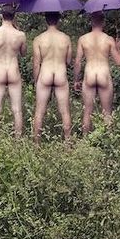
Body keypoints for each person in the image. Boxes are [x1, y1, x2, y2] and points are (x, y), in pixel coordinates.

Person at [74, 12, 120, 133]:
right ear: (103, 22)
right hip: (103, 74)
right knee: (107, 112)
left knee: (87, 112)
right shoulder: (108, 39)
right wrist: (118, 48)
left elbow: (78, 62)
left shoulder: (83, 39)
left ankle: (86, 140)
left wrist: (76, 80)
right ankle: (108, 140)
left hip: (89, 74)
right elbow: (118, 62)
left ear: (91, 22)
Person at [0, 8, 27, 139]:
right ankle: (18, 142)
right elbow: (23, 54)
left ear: (1, 16)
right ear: (14, 17)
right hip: (13, 71)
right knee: (17, 110)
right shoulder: (20, 35)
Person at [32, 12, 73, 142]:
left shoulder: (38, 39)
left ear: (46, 20)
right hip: (60, 74)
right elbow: (68, 61)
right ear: (58, 20)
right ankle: (68, 144)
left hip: (45, 73)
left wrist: (36, 81)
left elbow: (36, 64)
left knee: (39, 111)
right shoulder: (66, 38)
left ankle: (36, 144)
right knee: (65, 111)